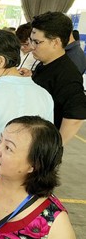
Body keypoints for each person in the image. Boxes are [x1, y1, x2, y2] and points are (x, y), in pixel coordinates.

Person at [29, 11, 86, 144]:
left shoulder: (67, 75)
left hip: (41, 143)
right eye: (31, 40)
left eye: (37, 42)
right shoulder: (45, 63)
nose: (32, 47)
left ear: (55, 42)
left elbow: (75, 116)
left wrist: (55, 148)